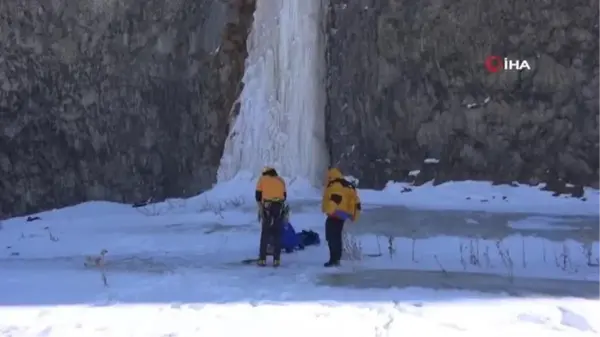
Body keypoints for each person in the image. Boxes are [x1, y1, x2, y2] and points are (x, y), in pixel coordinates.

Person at [321, 168, 361, 267]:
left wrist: (329, 211)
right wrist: (355, 216)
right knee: (337, 237)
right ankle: (336, 259)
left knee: (331, 237)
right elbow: (357, 203)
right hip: (343, 215)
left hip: (335, 214)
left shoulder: (336, 186)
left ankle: (333, 260)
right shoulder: (348, 185)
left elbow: (335, 199)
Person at [255, 167, 287, 267]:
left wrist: (261, 207)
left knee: (265, 233)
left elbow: (258, 196)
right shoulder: (280, 180)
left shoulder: (262, 179)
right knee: (277, 233)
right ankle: (276, 259)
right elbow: (284, 196)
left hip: (267, 206)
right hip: (279, 207)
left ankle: (262, 259)